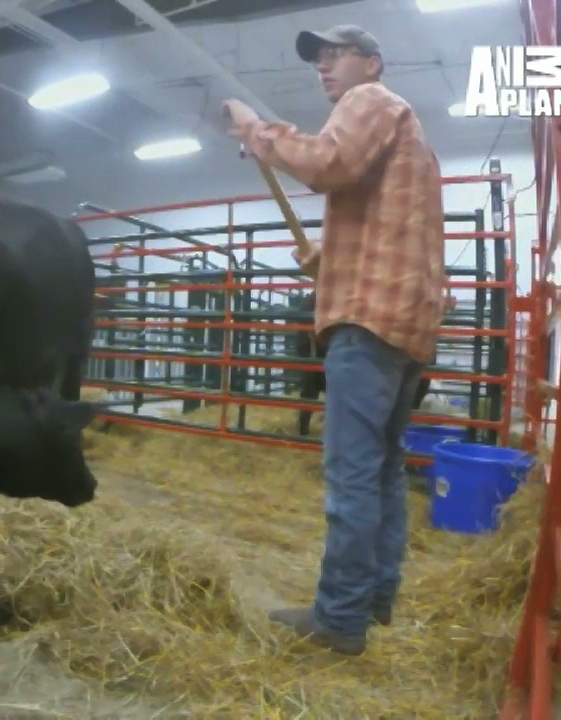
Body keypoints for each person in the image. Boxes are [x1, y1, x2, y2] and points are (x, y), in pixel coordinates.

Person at [221, 24, 446, 655]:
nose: (323, 65)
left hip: (368, 325)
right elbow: (395, 234)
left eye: (335, 54)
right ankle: (373, 599)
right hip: (403, 323)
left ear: (371, 63)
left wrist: (252, 128)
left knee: (351, 473)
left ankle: (339, 619)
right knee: (380, 473)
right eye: (317, 58)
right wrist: (328, 259)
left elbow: (327, 164)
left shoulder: (370, 102)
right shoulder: (414, 140)